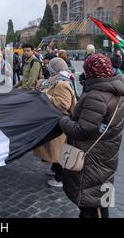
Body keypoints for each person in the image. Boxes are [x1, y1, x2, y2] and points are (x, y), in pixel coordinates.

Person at [60, 53, 124, 218]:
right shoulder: (114, 88)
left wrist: (63, 120)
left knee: (93, 204)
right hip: (105, 151)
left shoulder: (97, 95)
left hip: (93, 156)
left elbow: (82, 130)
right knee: (99, 197)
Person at [34, 58, 76, 188]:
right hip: (56, 120)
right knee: (57, 150)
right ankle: (55, 170)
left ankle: (60, 178)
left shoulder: (62, 83)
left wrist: (44, 96)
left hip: (61, 121)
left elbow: (63, 104)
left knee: (60, 151)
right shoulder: (57, 79)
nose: (47, 68)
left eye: (49, 66)